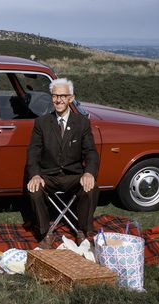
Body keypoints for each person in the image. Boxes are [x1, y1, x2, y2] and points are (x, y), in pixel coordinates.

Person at [26, 78, 99, 249]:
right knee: (34, 190)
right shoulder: (41, 122)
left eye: (63, 96)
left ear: (71, 98)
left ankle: (82, 231)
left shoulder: (82, 122)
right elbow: (33, 152)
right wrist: (35, 175)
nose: (58, 100)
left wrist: (89, 173)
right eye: (55, 96)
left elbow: (91, 152)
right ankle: (46, 233)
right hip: (48, 176)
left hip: (73, 175)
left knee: (91, 187)